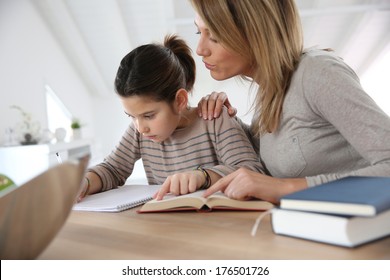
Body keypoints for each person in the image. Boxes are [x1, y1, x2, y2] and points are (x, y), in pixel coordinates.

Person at [189, 0, 390, 204]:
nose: (200, 49)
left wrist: (286, 188)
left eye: (214, 36)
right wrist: (225, 119)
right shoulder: (269, 90)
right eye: (199, 32)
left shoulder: (318, 73)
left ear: (256, 31)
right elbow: (274, 154)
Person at [77, 34, 263, 201]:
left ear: (180, 100)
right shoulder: (138, 132)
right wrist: (84, 183)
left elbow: (252, 171)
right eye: (131, 116)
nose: (141, 127)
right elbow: (112, 169)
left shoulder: (214, 118)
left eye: (149, 115)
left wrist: (203, 176)